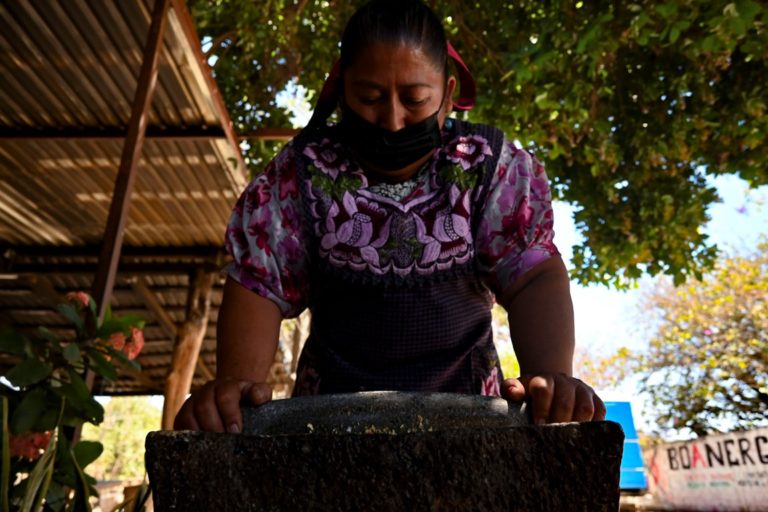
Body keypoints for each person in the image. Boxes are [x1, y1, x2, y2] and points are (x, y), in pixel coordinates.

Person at [174, 0, 605, 433]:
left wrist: (551, 377)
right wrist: (238, 386)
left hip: (467, 423)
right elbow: (260, 284)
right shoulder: (298, 174)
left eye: (415, 100)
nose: (393, 122)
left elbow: (532, 274)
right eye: (370, 98)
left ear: (449, 96)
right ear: (343, 91)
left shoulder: (489, 168)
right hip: (325, 429)